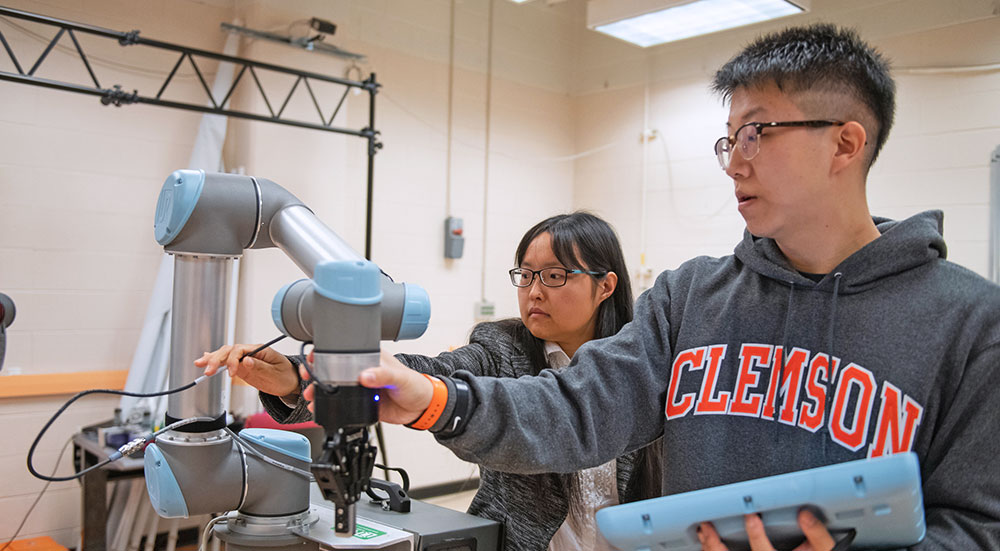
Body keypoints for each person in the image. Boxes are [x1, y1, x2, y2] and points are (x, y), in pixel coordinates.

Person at [353, 24, 1000, 551]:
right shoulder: (691, 297)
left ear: (845, 143)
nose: (735, 160)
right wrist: (434, 398)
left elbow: (978, 524)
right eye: (729, 138)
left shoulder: (969, 324)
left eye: (758, 132)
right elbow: (576, 408)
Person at [197, 212, 663, 551]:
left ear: (606, 286)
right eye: (525, 275)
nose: (534, 290)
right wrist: (297, 379)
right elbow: (426, 373)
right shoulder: (500, 348)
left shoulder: (645, 360)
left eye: (555, 275)